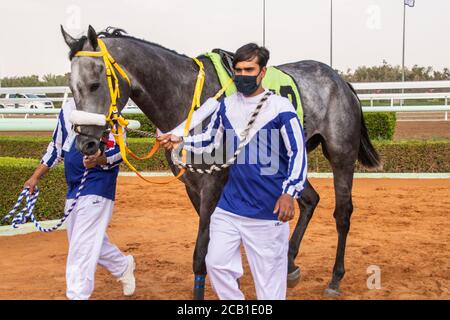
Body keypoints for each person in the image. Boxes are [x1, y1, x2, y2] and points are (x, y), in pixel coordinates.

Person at [158, 43, 307, 300]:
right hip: (228, 208)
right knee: (216, 264)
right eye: (238, 70)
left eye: (249, 69)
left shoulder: (281, 108)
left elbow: (298, 154)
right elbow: (212, 142)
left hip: (267, 212)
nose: (243, 75)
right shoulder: (225, 106)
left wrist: (289, 193)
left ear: (263, 72)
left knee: (270, 288)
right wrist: (182, 141)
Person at [24, 98, 135, 300]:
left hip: (99, 186)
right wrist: (34, 177)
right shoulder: (67, 108)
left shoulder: (111, 110)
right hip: (74, 187)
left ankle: (77, 295)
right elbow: (56, 147)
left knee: (81, 247)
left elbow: (120, 152)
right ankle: (122, 265)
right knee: (87, 241)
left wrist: (98, 158)